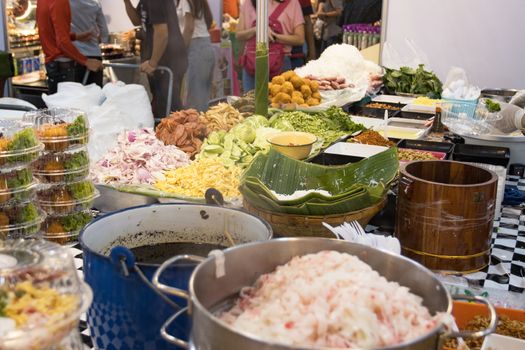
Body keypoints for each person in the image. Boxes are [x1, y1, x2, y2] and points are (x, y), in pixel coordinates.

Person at [124, 0, 188, 118]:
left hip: (168, 62)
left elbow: (162, 32)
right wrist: (126, 2)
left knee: (170, 112)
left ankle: (180, 135)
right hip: (160, 64)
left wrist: (153, 62)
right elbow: (137, 20)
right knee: (161, 108)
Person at [237, 0, 305, 92]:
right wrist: (257, 30)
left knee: (280, 103)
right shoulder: (249, 2)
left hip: (281, 64)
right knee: (250, 104)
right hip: (252, 64)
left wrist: (274, 36)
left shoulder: (292, 3)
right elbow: (239, 35)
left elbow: (300, 39)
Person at [36, 0, 102, 94]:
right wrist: (86, 61)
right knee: (70, 107)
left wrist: (76, 37)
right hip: (63, 68)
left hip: (53, 65)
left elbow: (49, 32)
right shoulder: (60, 2)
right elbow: (62, 43)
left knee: (58, 106)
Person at [177, 0, 215, 112]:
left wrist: (180, 51)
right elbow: (208, 21)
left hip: (196, 46)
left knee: (194, 104)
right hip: (205, 46)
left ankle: (197, 129)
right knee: (202, 100)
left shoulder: (184, 1)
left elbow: (189, 28)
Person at [70, 0, 109, 87]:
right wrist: (100, 39)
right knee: (96, 94)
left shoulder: (66, 3)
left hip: (75, 55)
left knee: (77, 95)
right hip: (95, 54)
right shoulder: (95, 3)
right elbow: (104, 32)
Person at [290, 0, 316, 68]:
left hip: (295, 51)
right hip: (271, 49)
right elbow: (307, 22)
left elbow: (307, 22)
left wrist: (312, 51)